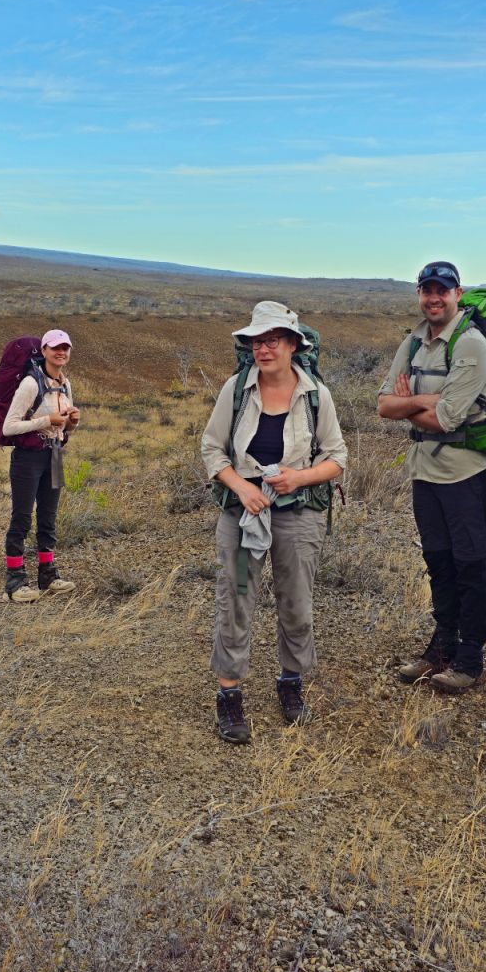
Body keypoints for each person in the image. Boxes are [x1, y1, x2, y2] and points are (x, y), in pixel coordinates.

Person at [200, 301, 347, 744]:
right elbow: (212, 449)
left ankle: (291, 683)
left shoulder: (316, 394)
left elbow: (336, 456)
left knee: (296, 601)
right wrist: (241, 487)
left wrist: (298, 477)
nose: (264, 349)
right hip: (244, 513)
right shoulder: (237, 389)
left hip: (299, 515)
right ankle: (229, 694)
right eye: (257, 341)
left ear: (292, 345)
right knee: (238, 595)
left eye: (273, 340)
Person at [376, 261, 486, 694]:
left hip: (468, 473)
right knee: (438, 562)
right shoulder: (413, 342)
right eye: (426, 290)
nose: (433, 298)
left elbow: (447, 418)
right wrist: (426, 403)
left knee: (470, 563)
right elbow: (383, 406)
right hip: (425, 471)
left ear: (457, 294)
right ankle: (442, 648)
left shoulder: (471, 345)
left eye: (441, 291)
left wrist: (413, 402)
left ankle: (470, 657)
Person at [1, 328, 81, 602]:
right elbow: (9, 426)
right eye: (56, 348)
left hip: (55, 454)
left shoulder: (65, 384)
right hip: (28, 459)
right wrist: (47, 421)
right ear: (44, 350)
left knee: (48, 516)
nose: (61, 353)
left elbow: (65, 428)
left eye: (66, 348)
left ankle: (48, 575)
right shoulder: (30, 384)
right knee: (22, 517)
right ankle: (15, 582)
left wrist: (72, 421)